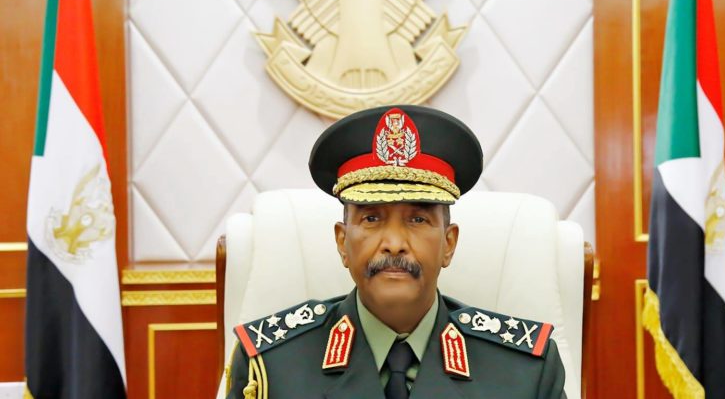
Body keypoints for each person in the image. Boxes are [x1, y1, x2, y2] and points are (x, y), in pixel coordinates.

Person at [225, 105, 566, 398]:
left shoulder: (523, 371)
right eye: (371, 218)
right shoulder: (272, 365)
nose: (394, 242)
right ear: (342, 243)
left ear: (448, 244)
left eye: (418, 219)